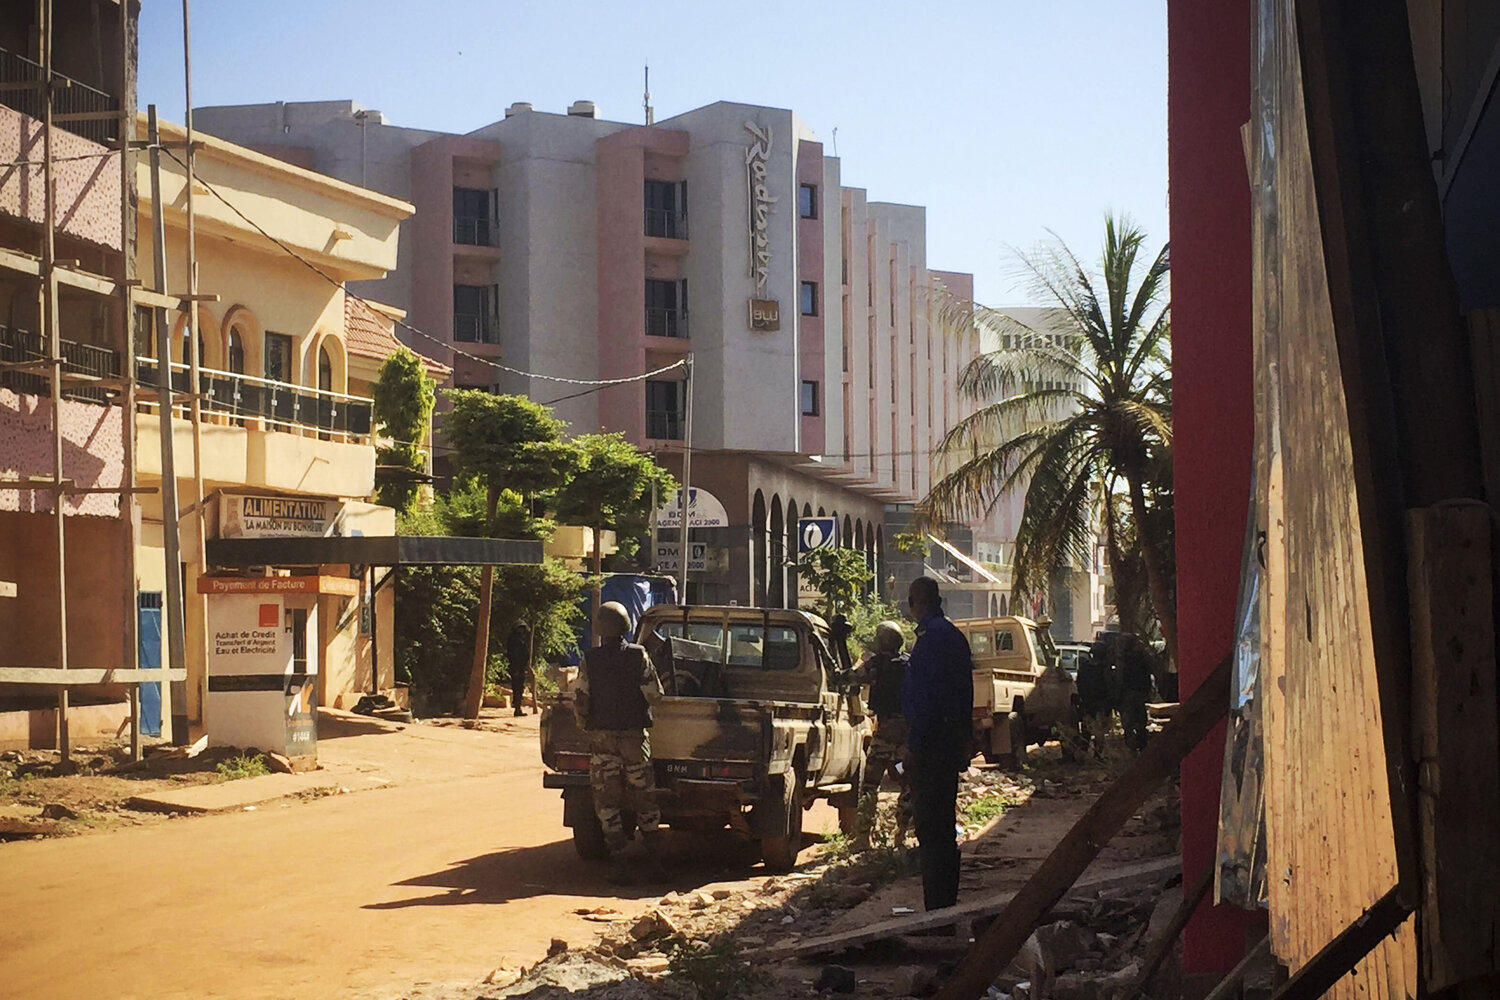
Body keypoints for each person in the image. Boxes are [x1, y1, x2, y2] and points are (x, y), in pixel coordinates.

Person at [573, 602, 667, 884]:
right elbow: (655, 694)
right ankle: (655, 862)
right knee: (645, 799)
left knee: (607, 803)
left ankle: (620, 862)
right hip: (634, 740)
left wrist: (586, 727)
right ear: (626, 626)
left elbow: (581, 700)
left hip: (602, 741)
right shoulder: (639, 656)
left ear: (600, 628)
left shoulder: (590, 659)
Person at [901, 576, 974, 911]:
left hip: (931, 745)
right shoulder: (954, 636)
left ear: (919, 601)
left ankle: (937, 908)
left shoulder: (930, 640)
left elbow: (925, 700)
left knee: (930, 829)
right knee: (943, 825)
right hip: (948, 743)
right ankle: (946, 902)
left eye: (910, 600)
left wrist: (914, 746)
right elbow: (963, 695)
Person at [854, 620, 913, 849]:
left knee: (870, 783)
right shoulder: (910, 664)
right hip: (906, 737)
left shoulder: (876, 664)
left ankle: (863, 836)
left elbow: (852, 677)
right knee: (905, 781)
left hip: (885, 735)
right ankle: (901, 835)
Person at [1116, 633, 1155, 752]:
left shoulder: (1122, 659)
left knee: (1129, 723)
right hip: (1137, 693)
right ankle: (1141, 745)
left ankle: (1133, 746)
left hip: (1129, 694)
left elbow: (1118, 677)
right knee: (1139, 721)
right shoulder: (1141, 657)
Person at [1075, 636, 1112, 757]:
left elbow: (1079, 684)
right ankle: (1095, 754)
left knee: (1088, 729)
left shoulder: (1085, 667)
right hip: (1099, 703)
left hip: (1089, 702)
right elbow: (1109, 686)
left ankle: (1086, 753)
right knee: (1099, 731)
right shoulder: (1104, 668)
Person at [506, 621, 532, 717]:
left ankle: (518, 707)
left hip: (520, 667)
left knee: (520, 687)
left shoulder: (520, 641)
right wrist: (516, 668)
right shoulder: (514, 641)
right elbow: (512, 655)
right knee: (517, 687)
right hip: (516, 667)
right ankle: (517, 707)